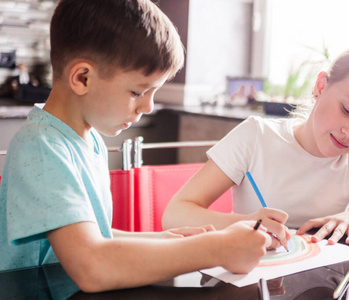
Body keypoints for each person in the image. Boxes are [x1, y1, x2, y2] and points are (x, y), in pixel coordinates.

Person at [0, 0, 271, 293]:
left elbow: (92, 236)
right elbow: (91, 265)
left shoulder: (87, 141)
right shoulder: (43, 147)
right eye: (138, 91)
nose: (148, 105)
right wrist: (212, 249)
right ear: (82, 78)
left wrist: (168, 240)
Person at [162, 42, 349, 249]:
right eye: (348, 110)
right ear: (321, 86)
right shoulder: (255, 137)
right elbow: (175, 214)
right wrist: (246, 222)